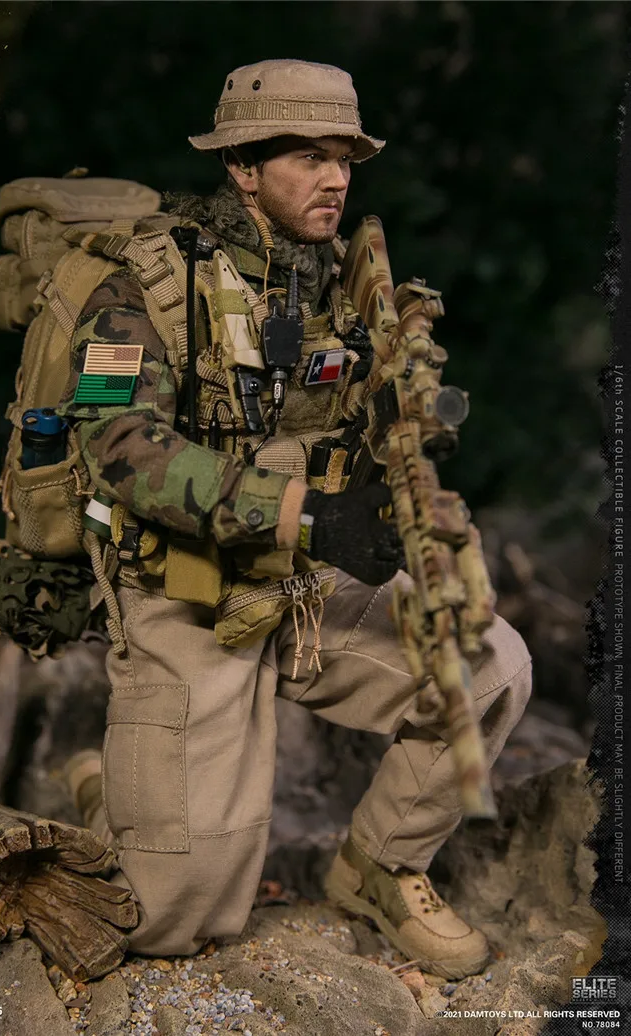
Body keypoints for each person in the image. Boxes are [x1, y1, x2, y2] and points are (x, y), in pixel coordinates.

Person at [60, 59, 531, 979]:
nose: (335, 179)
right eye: (308, 157)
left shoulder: (342, 286)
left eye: (344, 158)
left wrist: (393, 455)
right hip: (188, 592)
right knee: (165, 923)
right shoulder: (146, 285)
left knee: (485, 666)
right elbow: (121, 448)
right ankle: (103, 792)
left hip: (305, 587)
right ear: (242, 168)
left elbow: (353, 427)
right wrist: (308, 515)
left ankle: (380, 868)